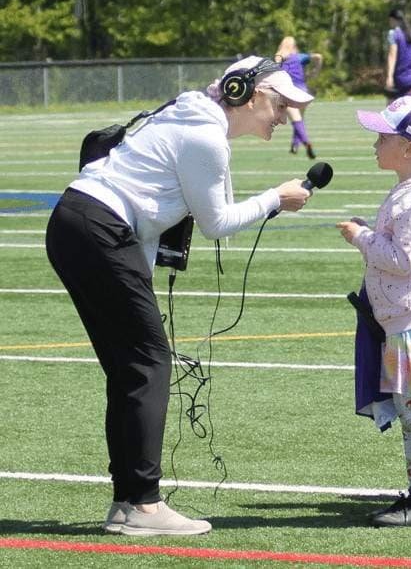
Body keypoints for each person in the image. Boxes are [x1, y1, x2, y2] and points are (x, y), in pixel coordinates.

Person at [45, 56, 314, 536]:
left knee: (132, 368)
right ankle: (142, 506)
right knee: (149, 364)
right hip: (99, 228)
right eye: (280, 103)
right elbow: (218, 224)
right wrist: (277, 198)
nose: (286, 113)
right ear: (244, 94)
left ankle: (129, 500)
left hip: (80, 223)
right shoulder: (205, 137)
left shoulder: (188, 114)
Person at [339, 96, 411, 527]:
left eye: (383, 136)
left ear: (410, 148)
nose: (375, 143)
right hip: (404, 322)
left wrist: (360, 237)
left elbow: (401, 258)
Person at [275, 35, 323, 159]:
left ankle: (306, 142)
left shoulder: (280, 55)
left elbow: (275, 66)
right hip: (303, 91)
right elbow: (318, 57)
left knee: (296, 119)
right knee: (299, 119)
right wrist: (315, 72)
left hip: (289, 90)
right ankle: (294, 145)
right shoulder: (299, 56)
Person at [386, 9, 411, 98]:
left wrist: (389, 77)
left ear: (393, 20)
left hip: (398, 80)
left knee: (392, 110)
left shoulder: (393, 34)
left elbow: (392, 57)